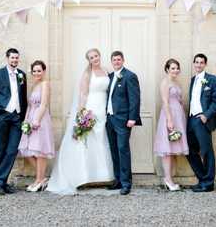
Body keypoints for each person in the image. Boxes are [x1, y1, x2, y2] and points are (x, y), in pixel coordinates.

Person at [47, 48, 114, 195]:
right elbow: (83, 94)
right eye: (91, 57)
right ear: (88, 60)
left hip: (103, 109)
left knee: (102, 139)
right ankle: (84, 176)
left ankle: (104, 176)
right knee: (87, 142)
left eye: (96, 56)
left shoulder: (107, 70)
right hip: (91, 109)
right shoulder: (87, 74)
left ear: (99, 56)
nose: (95, 59)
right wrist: (81, 113)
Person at [0, 48, 27, 195]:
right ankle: (1, 182)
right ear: (7, 58)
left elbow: (23, 97)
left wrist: (23, 117)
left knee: (12, 150)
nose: (15, 60)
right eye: (12, 58)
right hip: (2, 116)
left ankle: (0, 182)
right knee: (0, 150)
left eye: (17, 58)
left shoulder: (22, 75)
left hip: (16, 118)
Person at [106, 51, 141, 195]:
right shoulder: (110, 76)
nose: (116, 62)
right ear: (111, 61)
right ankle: (118, 180)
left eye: (119, 59)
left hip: (123, 120)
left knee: (123, 150)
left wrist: (132, 118)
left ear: (123, 60)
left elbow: (135, 99)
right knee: (114, 150)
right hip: (110, 119)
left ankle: (126, 183)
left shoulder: (130, 76)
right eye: (114, 60)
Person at [17, 60, 55, 192]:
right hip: (31, 118)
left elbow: (43, 104)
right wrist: (26, 120)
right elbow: (30, 105)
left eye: (39, 70)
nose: (37, 73)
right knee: (27, 150)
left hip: (41, 120)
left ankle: (38, 180)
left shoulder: (45, 84)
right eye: (34, 71)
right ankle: (42, 178)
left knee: (40, 151)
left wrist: (36, 120)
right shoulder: (34, 85)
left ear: (44, 71)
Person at [187, 53, 216, 192]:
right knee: (189, 150)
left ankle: (208, 183)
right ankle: (202, 178)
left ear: (205, 64)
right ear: (194, 64)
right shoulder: (193, 79)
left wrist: (206, 115)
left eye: (201, 62)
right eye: (196, 62)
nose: (199, 65)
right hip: (191, 119)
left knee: (206, 151)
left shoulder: (213, 80)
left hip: (202, 120)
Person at [153, 58, 189, 191]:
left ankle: (170, 178)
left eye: (177, 68)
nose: (175, 70)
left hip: (178, 116)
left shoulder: (176, 82)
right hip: (169, 116)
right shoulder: (165, 83)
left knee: (173, 149)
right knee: (167, 150)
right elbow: (165, 102)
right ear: (167, 69)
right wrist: (169, 120)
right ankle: (167, 179)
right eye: (173, 68)